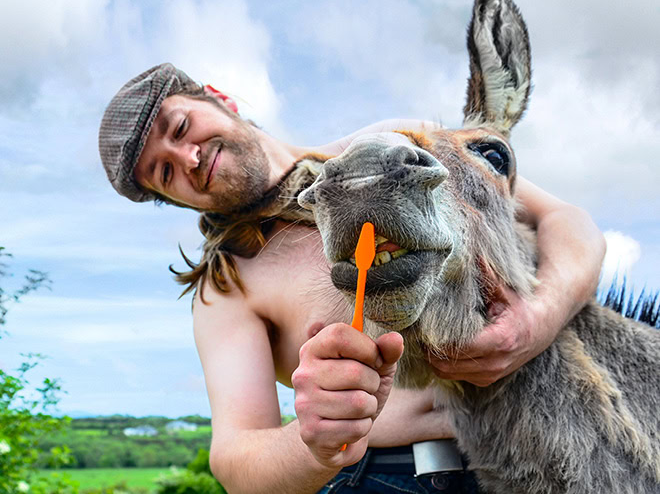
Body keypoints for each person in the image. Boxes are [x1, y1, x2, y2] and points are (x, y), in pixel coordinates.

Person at [99, 63, 606, 493]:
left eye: (181, 126)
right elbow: (235, 458)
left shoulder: (393, 142)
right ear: (174, 200)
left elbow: (566, 221)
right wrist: (314, 443)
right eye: (164, 173)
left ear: (217, 98)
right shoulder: (227, 288)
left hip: (569, 444)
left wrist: (537, 320)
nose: (188, 158)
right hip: (400, 477)